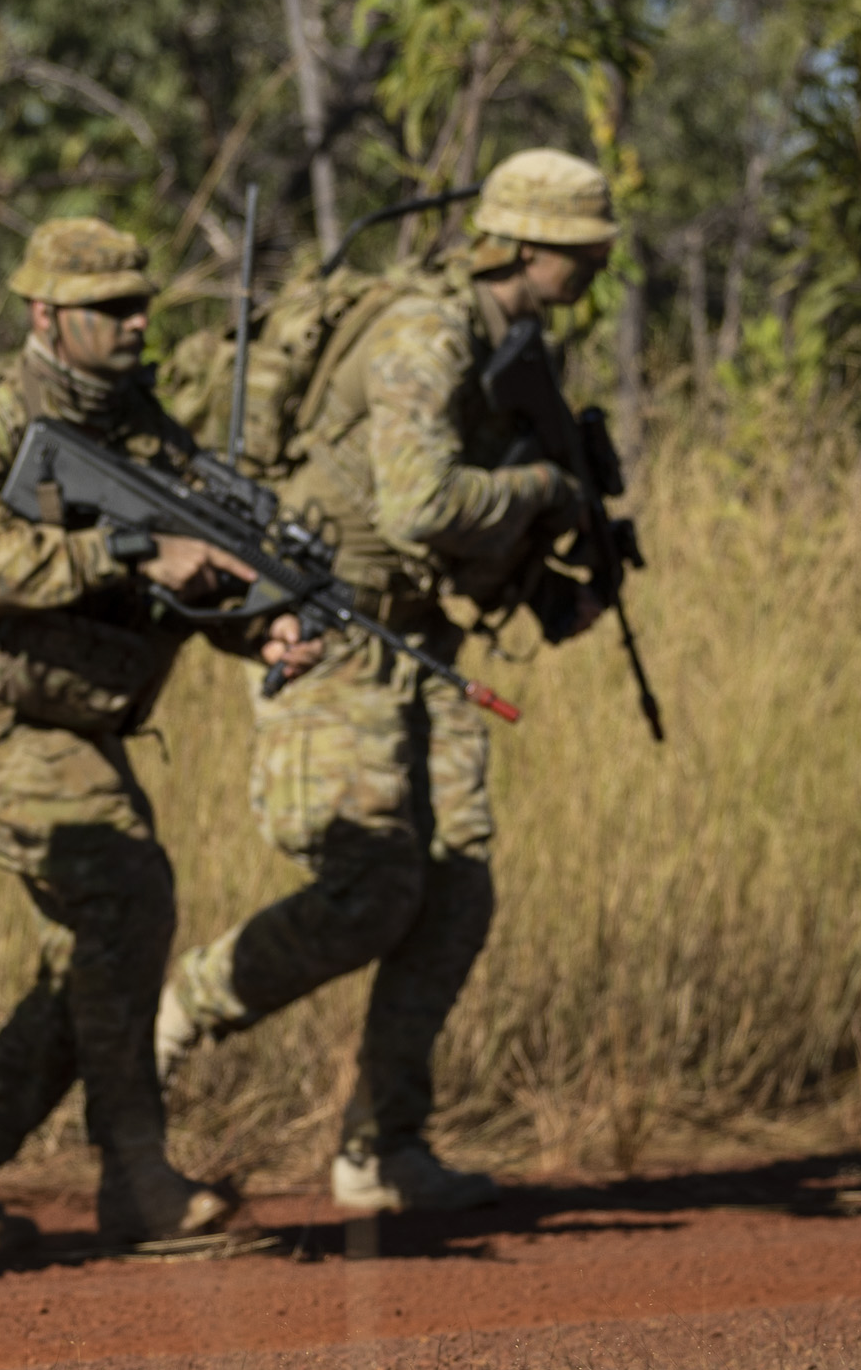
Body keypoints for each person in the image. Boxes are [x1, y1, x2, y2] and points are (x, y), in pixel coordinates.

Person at [152, 149, 612, 1215]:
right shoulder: (424, 330)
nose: (593, 262)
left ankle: (381, 1147)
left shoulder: (513, 342)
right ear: (531, 242)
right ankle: (170, 1025)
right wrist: (545, 487)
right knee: (370, 893)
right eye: (582, 244)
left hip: (417, 640)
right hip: (331, 628)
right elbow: (418, 506)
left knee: (456, 888)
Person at [0, 217, 278, 1255]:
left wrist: (267, 623)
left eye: (142, 304)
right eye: (113, 308)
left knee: (103, 947)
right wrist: (126, 556)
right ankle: (136, 1175)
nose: (139, 321)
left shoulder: (145, 426)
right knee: (129, 892)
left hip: (80, 724)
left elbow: (196, 576)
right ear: (48, 315)